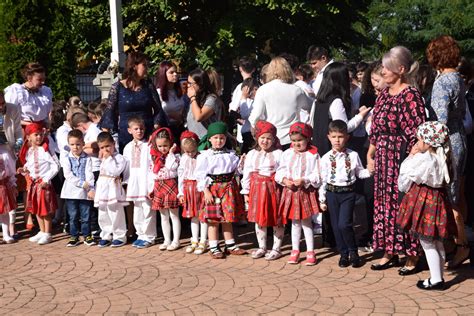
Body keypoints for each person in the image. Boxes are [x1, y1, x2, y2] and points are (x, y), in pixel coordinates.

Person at [367, 46, 426, 274]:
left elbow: (418, 134)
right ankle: (389, 251)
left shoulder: (410, 95)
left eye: (387, 68)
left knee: (404, 206)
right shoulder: (383, 94)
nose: (383, 72)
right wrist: (370, 153)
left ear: (400, 69)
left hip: (401, 160)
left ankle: (411, 255)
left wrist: (408, 162)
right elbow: (376, 128)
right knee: (384, 206)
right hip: (383, 160)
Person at [396, 121, 456, 290]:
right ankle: (438, 276)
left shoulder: (425, 159)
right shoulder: (442, 157)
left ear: (428, 142)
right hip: (438, 200)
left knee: (428, 242)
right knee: (437, 242)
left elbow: (404, 181)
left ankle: (436, 280)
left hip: (424, 200)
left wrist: (411, 156)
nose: (416, 143)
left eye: (419, 140)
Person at [426, 35, 469, 269]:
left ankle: (460, 245)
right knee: (458, 192)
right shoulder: (458, 78)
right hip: (460, 136)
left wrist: (425, 145)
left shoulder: (443, 81)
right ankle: (456, 243)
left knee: (449, 195)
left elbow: (440, 121)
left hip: (448, 141)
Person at [319, 120, 371, 268]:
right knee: (336, 226)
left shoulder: (353, 155)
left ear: (347, 137)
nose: (337, 140)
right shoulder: (325, 158)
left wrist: (369, 171)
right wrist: (322, 199)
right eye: (334, 136)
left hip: (348, 193)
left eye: (340, 136)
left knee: (344, 224)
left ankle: (353, 252)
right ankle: (343, 254)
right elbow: (323, 179)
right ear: (329, 137)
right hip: (332, 193)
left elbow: (359, 172)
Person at [195, 121, 246, 259]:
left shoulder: (231, 154)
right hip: (213, 190)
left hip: (228, 189)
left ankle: (230, 245)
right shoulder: (205, 156)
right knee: (213, 219)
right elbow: (200, 175)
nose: (219, 141)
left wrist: (242, 162)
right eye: (216, 138)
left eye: (222, 138)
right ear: (210, 138)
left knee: (227, 219)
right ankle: (213, 246)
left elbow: (238, 171)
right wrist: (205, 191)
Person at [101, 51, 167, 152]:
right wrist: (106, 140)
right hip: (126, 136)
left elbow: (158, 110)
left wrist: (154, 132)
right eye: (144, 65)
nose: (147, 69)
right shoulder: (117, 87)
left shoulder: (148, 86)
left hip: (147, 135)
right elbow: (109, 113)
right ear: (134, 66)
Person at [275, 122, 321, 265]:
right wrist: (284, 180)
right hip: (291, 192)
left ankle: (310, 251)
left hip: (305, 192)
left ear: (307, 139)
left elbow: (318, 174)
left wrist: (305, 180)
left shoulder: (313, 155)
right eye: (293, 141)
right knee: (294, 223)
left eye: (300, 140)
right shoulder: (287, 154)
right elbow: (280, 170)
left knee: (306, 223)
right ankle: (295, 250)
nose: (296, 143)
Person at [241, 121, 284, 260]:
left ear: (274, 139)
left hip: (273, 189)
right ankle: (262, 246)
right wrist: (246, 192)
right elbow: (247, 173)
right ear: (257, 138)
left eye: (269, 138)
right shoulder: (252, 154)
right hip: (257, 189)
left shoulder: (278, 154)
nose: (265, 141)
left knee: (276, 218)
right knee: (259, 218)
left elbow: (283, 171)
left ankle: (277, 248)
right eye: (262, 138)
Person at [249, 57, 312, 148]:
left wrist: (257, 131)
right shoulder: (297, 90)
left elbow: (255, 117)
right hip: (293, 138)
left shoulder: (263, 90)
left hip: (271, 138)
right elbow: (310, 106)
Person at [311, 62, 371, 156]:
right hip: (332, 150)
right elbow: (343, 127)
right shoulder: (336, 101)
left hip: (319, 146)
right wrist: (360, 116)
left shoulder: (319, 100)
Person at [18, 123, 59, 245]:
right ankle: (41, 231)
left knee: (45, 210)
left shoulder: (45, 150)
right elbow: (30, 164)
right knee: (36, 209)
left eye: (41, 134)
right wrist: (24, 169)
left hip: (43, 185)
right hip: (34, 185)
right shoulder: (30, 151)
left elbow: (56, 165)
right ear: (29, 137)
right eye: (36, 135)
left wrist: (46, 179)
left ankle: (48, 233)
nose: (39, 137)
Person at [122, 117, 156, 249]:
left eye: (141, 128)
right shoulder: (127, 147)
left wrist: (151, 185)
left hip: (146, 182)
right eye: (136, 129)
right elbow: (126, 166)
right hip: (134, 183)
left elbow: (152, 165)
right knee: (137, 209)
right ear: (129, 130)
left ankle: (149, 236)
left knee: (147, 209)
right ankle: (140, 234)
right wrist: (126, 182)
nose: (139, 131)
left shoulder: (148, 146)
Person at [60, 129, 95, 247]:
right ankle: (74, 236)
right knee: (73, 215)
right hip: (70, 192)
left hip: (84, 192)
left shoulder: (87, 158)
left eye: (78, 144)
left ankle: (87, 235)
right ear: (68, 145)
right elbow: (68, 175)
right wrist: (81, 183)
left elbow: (89, 173)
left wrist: (90, 188)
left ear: (83, 144)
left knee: (86, 215)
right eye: (72, 144)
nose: (75, 147)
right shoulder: (66, 158)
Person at [94, 132, 128, 248]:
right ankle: (106, 234)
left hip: (113, 187)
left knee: (115, 211)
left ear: (114, 144)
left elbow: (115, 171)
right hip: (103, 187)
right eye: (102, 148)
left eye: (107, 146)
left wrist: (108, 158)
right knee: (103, 211)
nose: (105, 150)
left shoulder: (119, 158)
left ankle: (119, 236)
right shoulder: (103, 159)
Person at [149, 127, 181, 251]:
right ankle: (166, 239)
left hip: (171, 185)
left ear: (171, 143)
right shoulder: (154, 157)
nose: (163, 149)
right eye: (160, 146)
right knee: (163, 216)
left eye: (165, 145)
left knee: (174, 215)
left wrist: (171, 153)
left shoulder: (175, 156)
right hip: (159, 186)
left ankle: (176, 240)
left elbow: (171, 167)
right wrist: (151, 187)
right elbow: (151, 173)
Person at [177, 130, 208, 255]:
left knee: (203, 216)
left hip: (199, 188)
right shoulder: (184, 158)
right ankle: (194, 239)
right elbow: (181, 175)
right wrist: (181, 193)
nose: (190, 154)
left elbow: (205, 174)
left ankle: (204, 240)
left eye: (192, 151)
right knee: (193, 216)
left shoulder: (202, 157)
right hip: (188, 188)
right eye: (187, 151)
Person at [0, 91, 22, 239]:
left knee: (9, 191)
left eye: (2, 103)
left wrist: (17, 145)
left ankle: (10, 230)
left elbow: (19, 133)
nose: (1, 106)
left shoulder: (13, 109)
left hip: (8, 151)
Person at [186, 68, 223, 139]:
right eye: (188, 83)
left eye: (191, 83)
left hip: (206, 142)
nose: (188, 86)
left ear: (200, 84)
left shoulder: (212, 99)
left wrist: (193, 98)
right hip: (193, 141)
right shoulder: (195, 98)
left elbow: (199, 117)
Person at [155, 61, 187, 140]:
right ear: (163, 74)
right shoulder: (158, 93)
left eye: (176, 72)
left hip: (181, 127)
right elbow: (157, 113)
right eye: (171, 72)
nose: (175, 74)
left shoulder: (180, 91)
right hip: (166, 130)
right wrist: (170, 115)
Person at [231, 78, 259, 154]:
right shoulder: (248, 100)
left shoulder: (256, 100)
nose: (248, 95)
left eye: (249, 92)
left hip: (251, 134)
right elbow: (232, 109)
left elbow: (245, 115)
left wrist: (243, 98)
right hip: (245, 133)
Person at [0, 139, 17, 244]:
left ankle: (6, 234)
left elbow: (11, 169)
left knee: (5, 211)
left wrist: (13, 183)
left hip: (2, 185)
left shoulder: (4, 151)